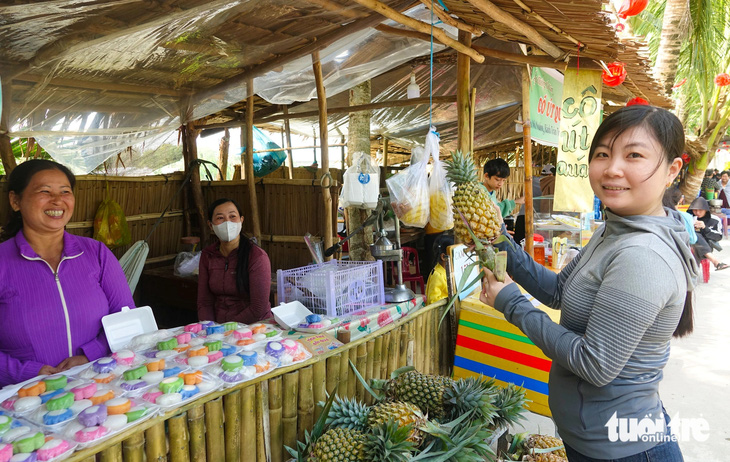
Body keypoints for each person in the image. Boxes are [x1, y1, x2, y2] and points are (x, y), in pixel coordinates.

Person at [481, 105, 696, 461]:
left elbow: (594, 363)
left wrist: (511, 303)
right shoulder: (614, 228)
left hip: (624, 450)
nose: (612, 168)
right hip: (594, 439)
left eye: (634, 155)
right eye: (602, 154)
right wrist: (499, 239)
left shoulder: (643, 255)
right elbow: (559, 291)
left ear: (672, 170)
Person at [0, 160, 135, 387]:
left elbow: (127, 318)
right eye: (45, 191)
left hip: (100, 385)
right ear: (15, 201)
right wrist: (28, 373)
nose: (57, 200)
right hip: (23, 397)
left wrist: (89, 356)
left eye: (65, 192)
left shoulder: (96, 253)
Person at [197, 198, 273, 324]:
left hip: (254, 328)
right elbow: (204, 302)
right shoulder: (207, 255)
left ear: (241, 220)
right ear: (210, 225)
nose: (227, 222)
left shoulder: (257, 256)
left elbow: (258, 308)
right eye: (220, 218)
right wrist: (209, 328)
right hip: (219, 328)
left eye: (232, 216)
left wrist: (226, 329)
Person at [686, 197, 728, 270]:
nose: (697, 213)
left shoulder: (714, 219)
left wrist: (705, 228)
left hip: (707, 246)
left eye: (700, 210)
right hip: (688, 245)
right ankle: (716, 262)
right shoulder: (688, 218)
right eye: (695, 210)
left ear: (706, 210)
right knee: (694, 235)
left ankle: (715, 262)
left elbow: (718, 236)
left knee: (696, 236)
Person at [425, 233, 454, 304]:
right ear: (443, 257)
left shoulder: (448, 270)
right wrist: (449, 300)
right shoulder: (437, 275)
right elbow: (433, 301)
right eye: (454, 254)